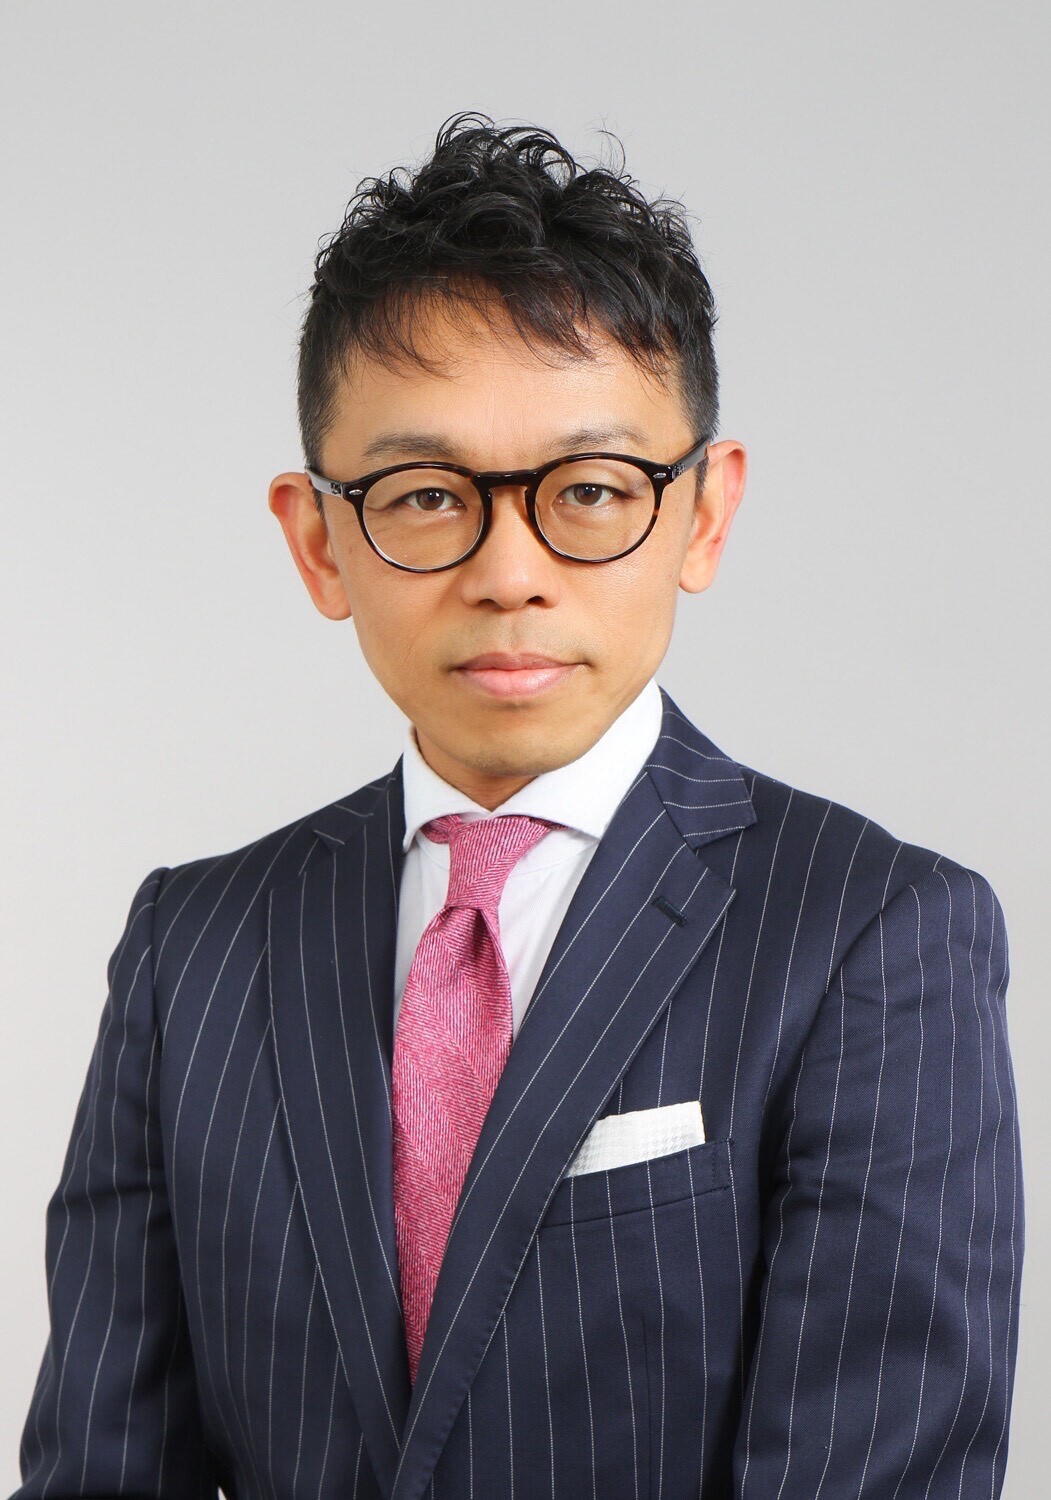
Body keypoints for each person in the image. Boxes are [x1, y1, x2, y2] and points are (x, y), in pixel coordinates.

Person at [12, 113, 1023, 1500]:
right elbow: (101, 1466)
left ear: (704, 514)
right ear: (318, 540)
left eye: (590, 491)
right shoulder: (193, 949)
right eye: (426, 496)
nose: (508, 572)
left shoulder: (872, 934)